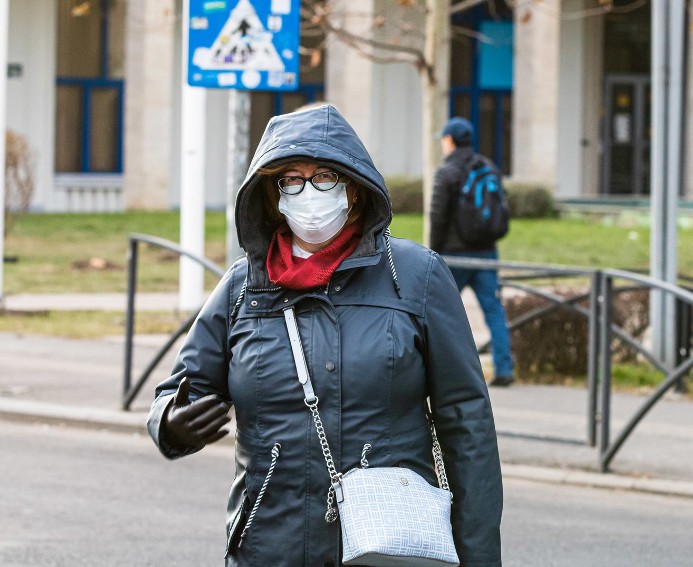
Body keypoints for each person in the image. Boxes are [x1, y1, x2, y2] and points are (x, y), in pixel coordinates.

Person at [147, 105, 503, 566]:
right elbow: (177, 391)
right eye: (291, 179)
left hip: (386, 543)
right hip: (270, 546)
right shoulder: (242, 288)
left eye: (323, 178)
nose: (307, 192)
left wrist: (479, 558)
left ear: (353, 190)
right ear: (273, 195)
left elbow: (467, 422)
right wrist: (170, 425)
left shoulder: (416, 277)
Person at [430, 116, 515, 387]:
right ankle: (504, 368)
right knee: (493, 310)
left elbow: (438, 217)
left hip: (454, 256)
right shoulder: (488, 167)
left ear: (450, 141)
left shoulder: (447, 172)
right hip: (487, 253)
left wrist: (434, 253)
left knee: (440, 313)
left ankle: (446, 373)